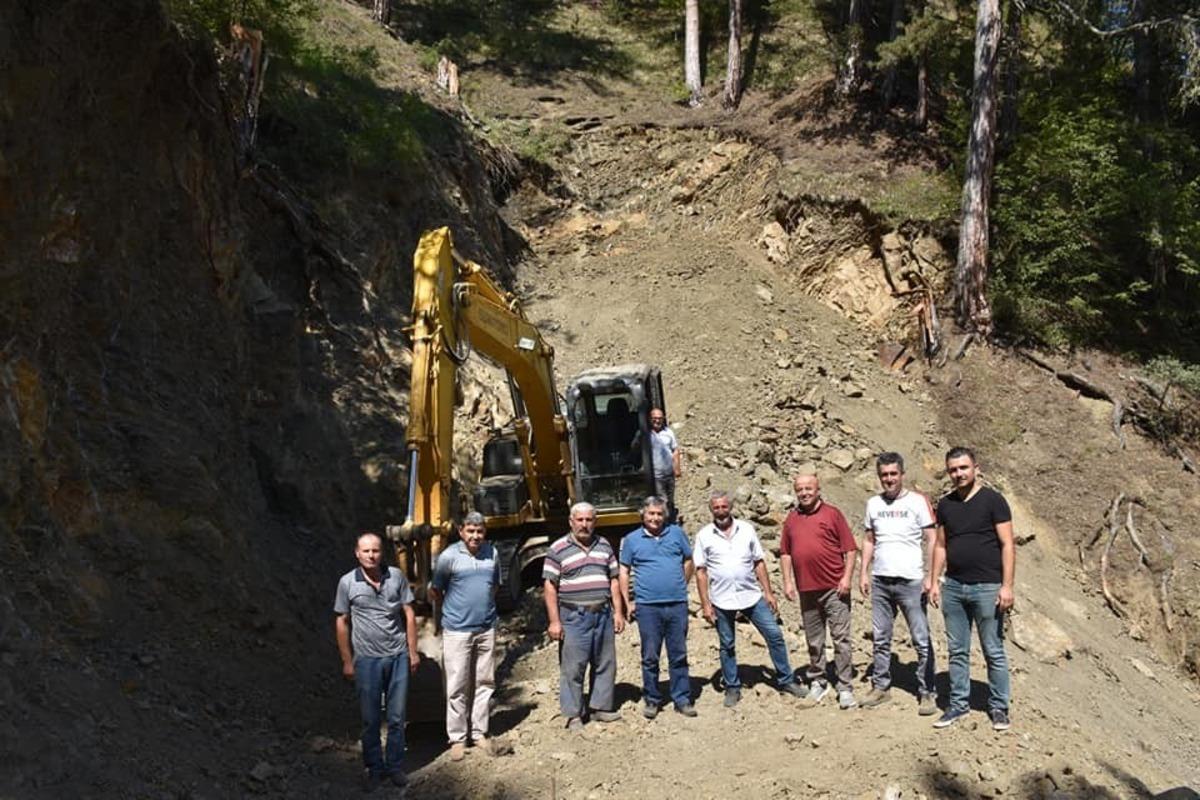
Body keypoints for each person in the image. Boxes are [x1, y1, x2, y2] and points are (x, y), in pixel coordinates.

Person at [929, 447, 1016, 732]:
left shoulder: (993, 501)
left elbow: (1007, 544)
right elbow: (940, 545)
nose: (958, 474)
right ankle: (958, 703)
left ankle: (999, 707)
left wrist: (1007, 586)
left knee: (993, 650)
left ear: (975, 468)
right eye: (953, 469)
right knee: (957, 650)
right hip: (953, 587)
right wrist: (934, 580)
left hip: (988, 587)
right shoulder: (945, 504)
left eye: (963, 468)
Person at [694, 491, 805, 707]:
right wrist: (706, 604)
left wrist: (769, 592)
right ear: (711, 510)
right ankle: (732, 687)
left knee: (774, 635)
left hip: (751, 596)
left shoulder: (746, 529)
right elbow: (700, 572)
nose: (720, 511)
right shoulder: (704, 535)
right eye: (716, 507)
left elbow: (759, 562)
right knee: (727, 645)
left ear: (731, 507)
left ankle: (786, 680)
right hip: (722, 599)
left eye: (724, 506)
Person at [334, 532, 419, 791]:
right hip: (367, 661)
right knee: (371, 719)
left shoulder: (396, 577)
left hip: (397, 657)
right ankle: (374, 768)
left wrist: (412, 652)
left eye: (376, 551)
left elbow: (409, 613)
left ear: (382, 553)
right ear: (357, 553)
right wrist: (347, 661)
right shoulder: (347, 583)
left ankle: (394, 766)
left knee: (396, 716)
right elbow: (341, 621)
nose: (371, 555)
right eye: (366, 551)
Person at [859, 452, 938, 715]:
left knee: (921, 638)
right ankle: (881, 687)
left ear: (902, 474)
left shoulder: (918, 502)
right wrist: (863, 572)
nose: (889, 479)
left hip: (911, 581)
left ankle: (927, 691)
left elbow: (932, 539)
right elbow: (869, 539)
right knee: (881, 636)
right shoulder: (873, 504)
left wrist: (931, 576)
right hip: (881, 580)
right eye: (884, 475)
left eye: (893, 474)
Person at [543, 502, 626, 730]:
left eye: (589, 520)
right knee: (573, 666)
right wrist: (554, 621)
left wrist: (618, 612)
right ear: (571, 521)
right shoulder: (558, 548)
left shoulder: (604, 545)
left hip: (602, 613)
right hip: (573, 616)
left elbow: (614, 580)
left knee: (604, 662)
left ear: (595, 522)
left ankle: (600, 707)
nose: (584, 524)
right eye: (579, 520)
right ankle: (574, 714)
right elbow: (550, 586)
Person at [780, 473, 859, 709]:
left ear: (818, 489)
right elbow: (785, 552)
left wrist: (846, 578)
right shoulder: (792, 519)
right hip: (807, 590)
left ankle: (844, 686)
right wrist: (787, 581)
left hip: (835, 588)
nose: (804, 493)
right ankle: (818, 681)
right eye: (800, 489)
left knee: (841, 638)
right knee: (814, 640)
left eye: (808, 488)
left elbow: (851, 549)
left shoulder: (832, 514)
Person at [429, 512, 501, 761]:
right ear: (461, 531)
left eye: (479, 531)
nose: (475, 536)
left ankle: (479, 732)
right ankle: (457, 738)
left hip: (486, 628)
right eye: (470, 531)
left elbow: (495, 585)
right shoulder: (448, 556)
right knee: (457, 684)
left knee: (485, 682)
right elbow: (436, 591)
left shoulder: (492, 553)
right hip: (457, 630)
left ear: (485, 533)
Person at [619, 496, 696, 718]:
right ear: (643, 515)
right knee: (650, 656)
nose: (655, 518)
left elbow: (688, 560)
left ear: (665, 516)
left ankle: (682, 698)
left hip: (677, 604)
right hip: (647, 607)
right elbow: (624, 571)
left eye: (659, 514)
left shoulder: (676, 534)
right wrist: (628, 602)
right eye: (651, 514)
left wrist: (682, 583)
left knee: (678, 653)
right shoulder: (632, 540)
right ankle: (652, 699)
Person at [648, 408, 681, 521]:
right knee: (663, 500)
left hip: (669, 472)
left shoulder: (669, 432)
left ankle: (671, 519)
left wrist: (677, 468)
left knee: (670, 499)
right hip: (656, 475)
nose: (657, 421)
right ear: (650, 419)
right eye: (654, 419)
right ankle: (665, 522)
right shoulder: (645, 434)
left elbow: (675, 450)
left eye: (660, 419)